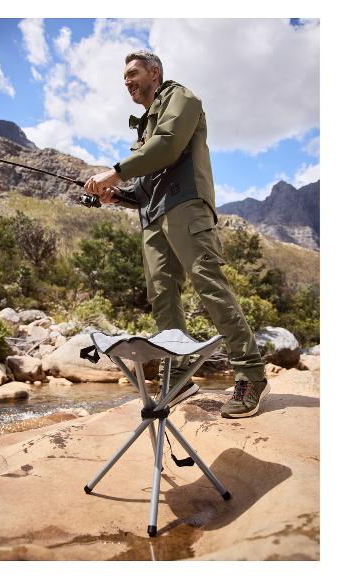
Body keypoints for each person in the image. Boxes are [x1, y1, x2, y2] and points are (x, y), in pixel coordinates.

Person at [84, 50, 268, 419]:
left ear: (155, 72)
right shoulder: (143, 126)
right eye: (124, 77)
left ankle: (250, 373)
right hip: (152, 219)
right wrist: (115, 194)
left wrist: (115, 172)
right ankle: (182, 373)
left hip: (186, 207)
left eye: (133, 73)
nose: (127, 82)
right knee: (162, 297)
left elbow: (167, 146)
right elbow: (142, 191)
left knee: (209, 286)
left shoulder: (181, 98)